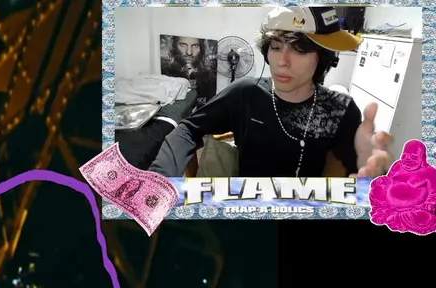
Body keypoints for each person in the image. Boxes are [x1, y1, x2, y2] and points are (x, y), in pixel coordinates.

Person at [149, 6, 393, 178]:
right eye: (276, 47)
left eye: (299, 50)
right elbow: (188, 128)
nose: (282, 62)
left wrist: (370, 181)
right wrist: (159, 179)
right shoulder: (246, 94)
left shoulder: (340, 110)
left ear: (323, 58)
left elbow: (350, 176)